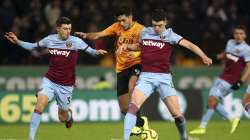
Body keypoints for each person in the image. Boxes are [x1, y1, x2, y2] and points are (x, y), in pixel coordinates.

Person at [4, 17, 107, 140]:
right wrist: (18, 41)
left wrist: (97, 52)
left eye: (69, 29)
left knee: (62, 117)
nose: (68, 31)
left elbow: (90, 51)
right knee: (39, 105)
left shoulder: (75, 41)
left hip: (66, 85)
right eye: (65, 29)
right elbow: (32, 46)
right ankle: (31, 138)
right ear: (58, 29)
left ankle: (69, 115)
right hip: (50, 80)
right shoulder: (50, 40)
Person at [121, 9, 212, 140]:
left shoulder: (171, 35)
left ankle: (184, 137)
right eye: (155, 25)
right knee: (132, 107)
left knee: (178, 115)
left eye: (160, 25)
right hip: (146, 77)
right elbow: (139, 46)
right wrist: (127, 46)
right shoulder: (145, 32)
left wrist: (203, 56)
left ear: (165, 22)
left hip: (164, 78)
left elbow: (190, 45)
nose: (157, 28)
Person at [75, 6, 149, 134]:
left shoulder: (141, 29)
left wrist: (134, 51)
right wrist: (87, 35)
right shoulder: (116, 27)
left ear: (130, 17)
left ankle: (138, 124)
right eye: (119, 20)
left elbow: (147, 48)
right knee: (124, 108)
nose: (121, 23)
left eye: (123, 20)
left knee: (132, 86)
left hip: (136, 64)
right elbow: (99, 34)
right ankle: (141, 122)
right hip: (120, 68)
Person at [189, 25, 250, 135]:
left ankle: (203, 127)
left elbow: (249, 67)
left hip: (231, 80)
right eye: (237, 33)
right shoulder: (230, 43)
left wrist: (241, 81)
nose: (238, 36)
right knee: (212, 101)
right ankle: (232, 119)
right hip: (223, 76)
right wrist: (216, 57)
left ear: (245, 35)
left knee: (212, 99)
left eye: (241, 34)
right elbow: (225, 54)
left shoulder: (246, 49)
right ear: (233, 34)